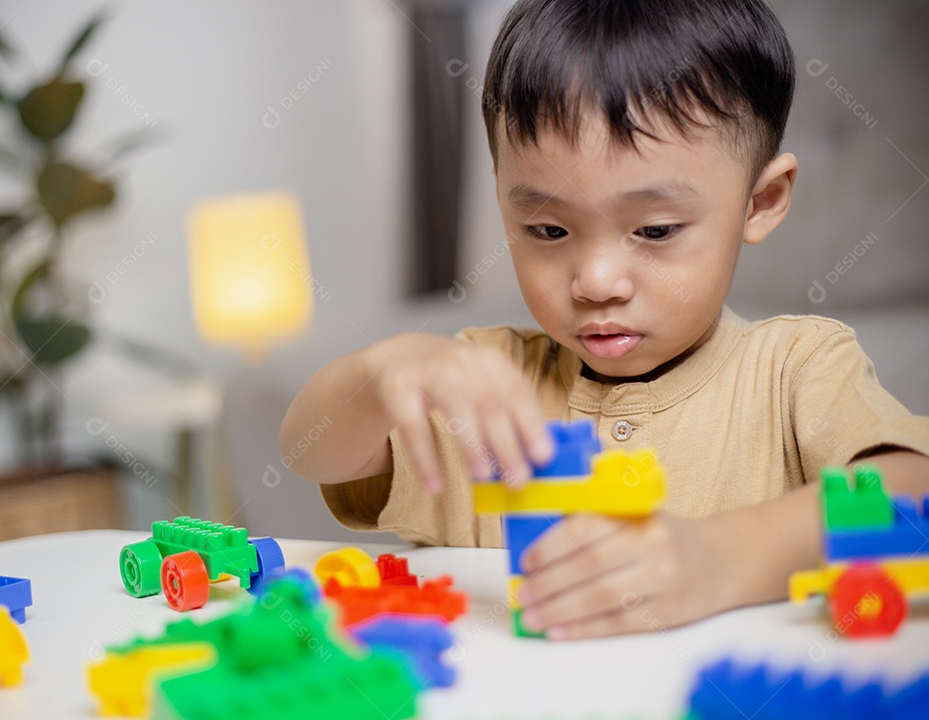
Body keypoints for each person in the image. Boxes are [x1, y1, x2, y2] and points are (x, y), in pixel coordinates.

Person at [280, 0, 929, 639]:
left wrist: (721, 559)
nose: (594, 281)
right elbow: (311, 452)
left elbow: (914, 491)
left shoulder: (797, 368)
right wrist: (382, 370)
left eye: (653, 229)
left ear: (760, 202)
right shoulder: (482, 386)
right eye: (548, 228)